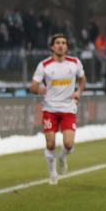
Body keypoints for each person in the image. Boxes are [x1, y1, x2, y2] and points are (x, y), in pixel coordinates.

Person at [29, 34, 86, 185]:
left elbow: (82, 79)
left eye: (63, 43)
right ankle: (53, 173)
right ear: (52, 47)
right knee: (50, 144)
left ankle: (62, 157)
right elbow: (32, 86)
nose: (61, 45)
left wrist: (78, 92)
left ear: (67, 46)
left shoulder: (75, 63)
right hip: (50, 109)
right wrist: (39, 89)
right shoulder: (44, 65)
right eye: (58, 43)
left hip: (68, 109)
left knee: (68, 144)